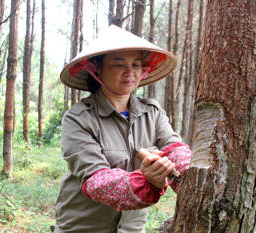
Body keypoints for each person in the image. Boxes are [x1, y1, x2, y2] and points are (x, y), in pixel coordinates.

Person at [55, 25, 191, 233]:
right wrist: (147, 181)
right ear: (97, 69)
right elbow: (96, 181)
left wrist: (192, 176)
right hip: (83, 228)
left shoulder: (152, 112)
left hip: (132, 229)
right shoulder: (79, 118)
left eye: (136, 64)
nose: (130, 72)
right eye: (119, 65)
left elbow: (174, 148)